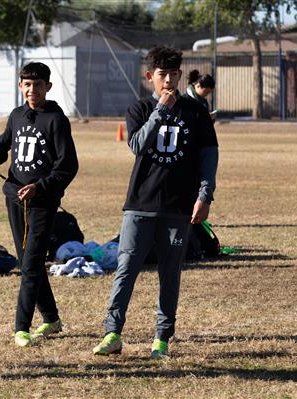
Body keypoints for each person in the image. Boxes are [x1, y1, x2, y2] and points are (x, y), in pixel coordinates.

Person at [92, 47, 218, 358]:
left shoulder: (197, 112)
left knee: (170, 273)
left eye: (174, 74)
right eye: (162, 75)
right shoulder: (139, 108)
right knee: (126, 268)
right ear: (150, 77)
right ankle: (112, 333)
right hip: (139, 204)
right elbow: (137, 145)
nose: (169, 80)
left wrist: (204, 196)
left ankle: (162, 337)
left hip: (177, 207)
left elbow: (208, 158)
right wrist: (160, 109)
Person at [0, 62, 78, 347]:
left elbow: (67, 166)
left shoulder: (56, 120)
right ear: (20, 86)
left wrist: (40, 187)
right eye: (26, 84)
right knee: (26, 261)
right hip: (13, 198)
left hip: (42, 203)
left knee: (31, 262)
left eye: (37, 85)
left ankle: (21, 327)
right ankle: (51, 318)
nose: (31, 90)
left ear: (47, 86)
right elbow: (3, 144)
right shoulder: (16, 115)